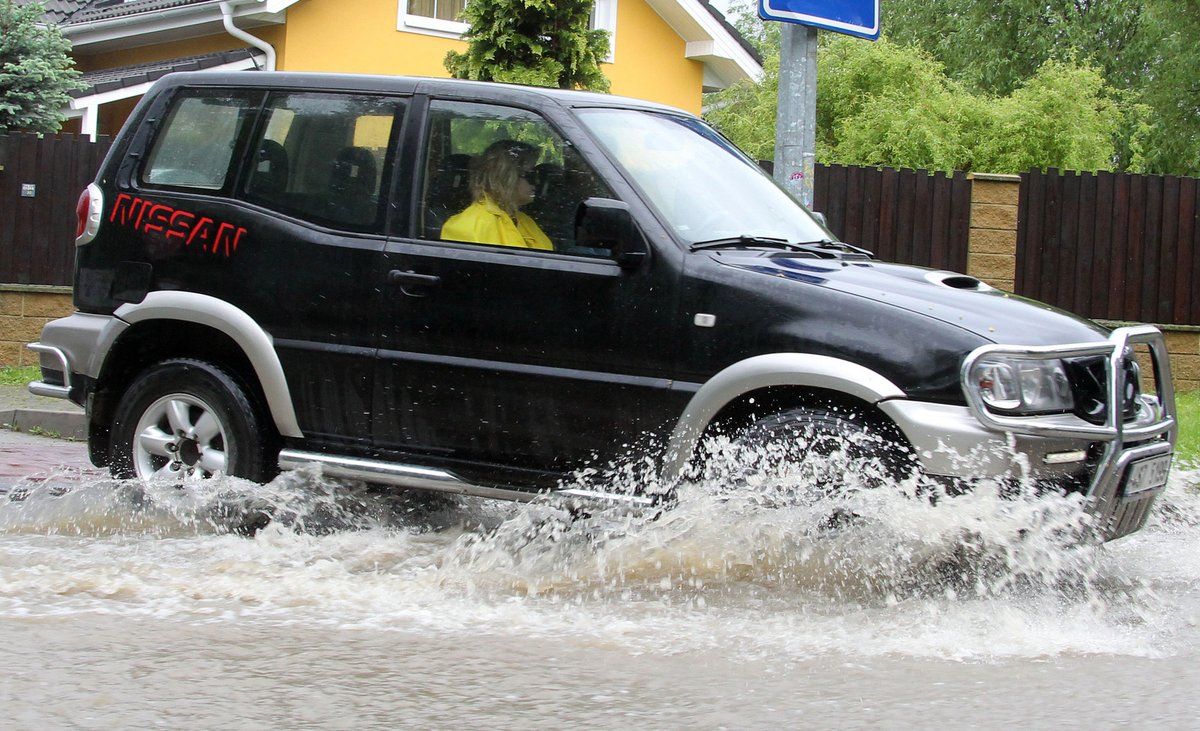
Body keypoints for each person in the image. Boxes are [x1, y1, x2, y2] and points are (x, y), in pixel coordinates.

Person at [440, 139, 554, 250]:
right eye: (531, 175)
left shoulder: (524, 221)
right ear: (507, 177)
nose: (537, 182)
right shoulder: (466, 227)